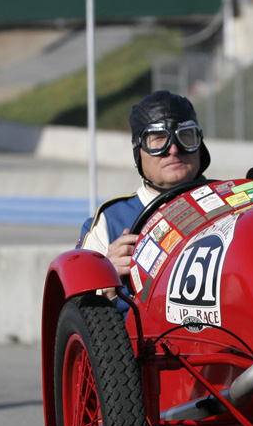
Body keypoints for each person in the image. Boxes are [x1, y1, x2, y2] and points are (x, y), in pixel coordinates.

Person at [76, 90, 211, 297]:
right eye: (158, 139)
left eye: (185, 136)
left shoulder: (238, 204)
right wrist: (105, 278)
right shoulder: (109, 222)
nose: (173, 149)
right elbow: (74, 311)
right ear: (138, 151)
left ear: (199, 146)